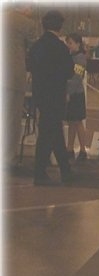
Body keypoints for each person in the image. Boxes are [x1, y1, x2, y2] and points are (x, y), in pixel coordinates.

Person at [30, 10, 75, 186]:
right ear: (60, 26)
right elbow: (69, 72)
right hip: (56, 96)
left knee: (50, 132)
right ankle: (45, 172)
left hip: (41, 95)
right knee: (51, 133)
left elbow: (31, 66)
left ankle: (61, 170)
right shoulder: (61, 48)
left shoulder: (37, 46)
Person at [3, 4, 36, 170]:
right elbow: (35, 50)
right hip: (13, 78)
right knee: (12, 119)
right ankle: (8, 157)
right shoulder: (27, 24)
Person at [65, 33, 87, 163]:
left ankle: (83, 149)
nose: (69, 45)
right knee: (71, 122)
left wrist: (69, 92)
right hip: (70, 93)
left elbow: (77, 78)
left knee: (78, 122)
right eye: (68, 43)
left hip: (76, 94)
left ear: (78, 44)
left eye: (71, 43)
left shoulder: (80, 58)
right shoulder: (70, 56)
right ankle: (69, 148)